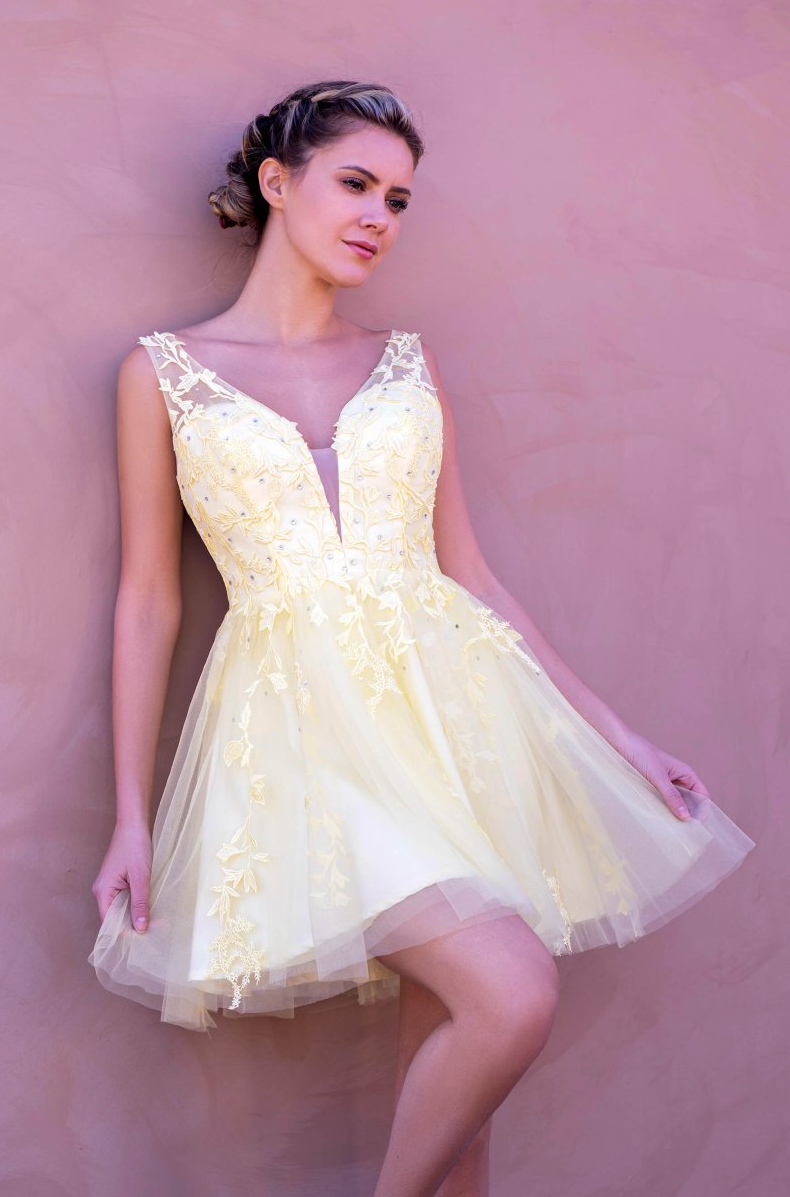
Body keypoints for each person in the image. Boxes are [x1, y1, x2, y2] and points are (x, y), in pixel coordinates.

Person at [87, 80, 755, 1197]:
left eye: (397, 200)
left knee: (463, 1106)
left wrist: (619, 737)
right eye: (356, 184)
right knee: (511, 994)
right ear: (276, 182)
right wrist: (130, 815)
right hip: (305, 737)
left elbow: (470, 577)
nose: (378, 218)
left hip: (454, 727)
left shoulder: (405, 364)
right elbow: (148, 601)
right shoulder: (159, 374)